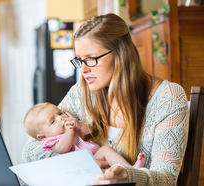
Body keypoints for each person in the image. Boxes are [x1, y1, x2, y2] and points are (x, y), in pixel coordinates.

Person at [22, 13, 189, 185]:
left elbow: (166, 179)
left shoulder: (168, 98)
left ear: (121, 53)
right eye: (80, 60)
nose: (83, 70)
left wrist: (129, 176)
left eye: (91, 59)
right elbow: (30, 149)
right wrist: (81, 164)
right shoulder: (80, 93)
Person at [23, 102, 146, 169]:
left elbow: (91, 132)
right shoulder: (51, 141)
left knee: (106, 150)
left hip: (93, 155)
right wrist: (70, 130)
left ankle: (131, 168)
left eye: (60, 113)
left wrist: (79, 125)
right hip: (81, 165)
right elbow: (63, 148)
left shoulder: (69, 127)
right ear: (42, 137)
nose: (61, 118)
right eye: (53, 121)